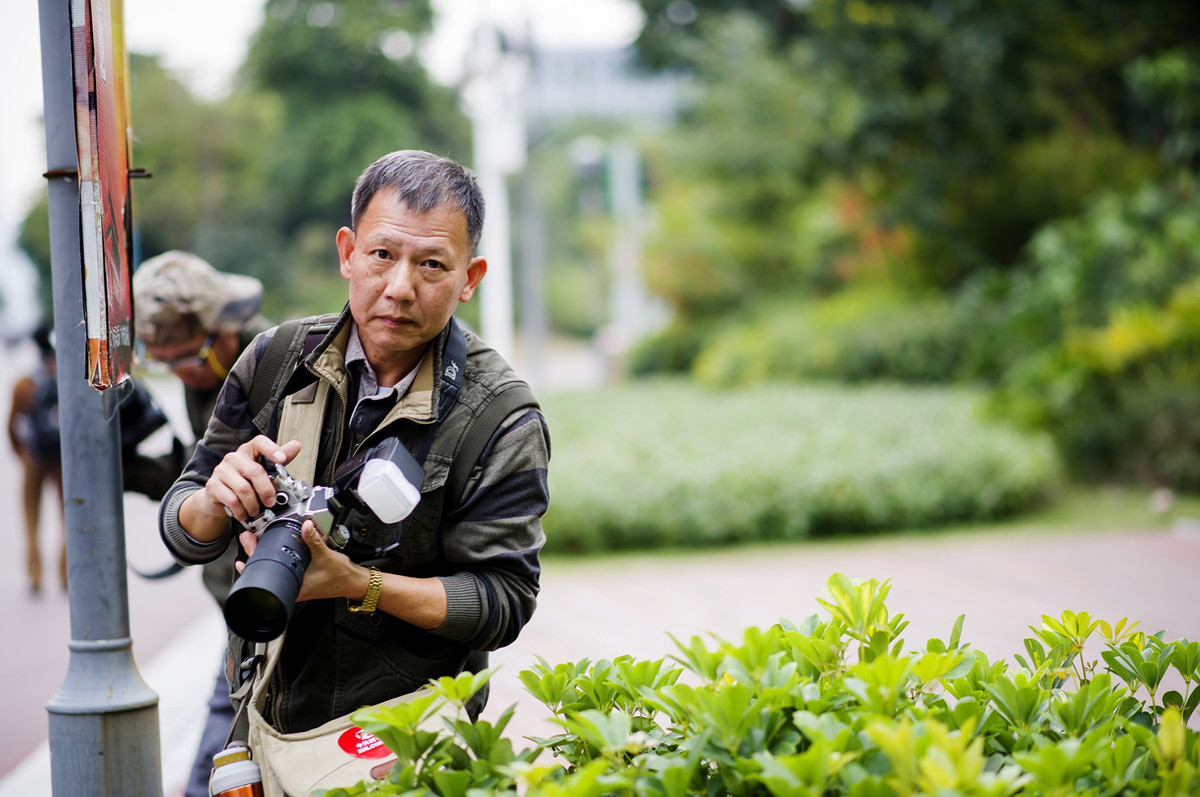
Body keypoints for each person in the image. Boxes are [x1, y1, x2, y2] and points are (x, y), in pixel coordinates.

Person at [157, 151, 550, 746]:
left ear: (469, 278)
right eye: (382, 254)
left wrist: (354, 583)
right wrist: (216, 499)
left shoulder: (500, 415)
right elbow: (181, 523)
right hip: (262, 716)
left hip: (405, 745)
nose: (400, 287)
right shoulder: (274, 360)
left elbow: (504, 601)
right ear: (348, 253)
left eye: (432, 265)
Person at [131, 250, 272, 797]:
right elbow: (202, 479)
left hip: (274, 602)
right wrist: (139, 463)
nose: (181, 374)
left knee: (219, 765)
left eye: (186, 359)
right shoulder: (205, 381)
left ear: (223, 328)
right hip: (238, 599)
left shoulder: (274, 375)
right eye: (163, 362)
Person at [8, 322, 65, 595]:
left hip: (34, 457)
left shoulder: (25, 383)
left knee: (31, 517)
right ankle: (66, 575)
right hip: (62, 460)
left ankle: (35, 574)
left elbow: (11, 425)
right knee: (68, 517)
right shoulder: (65, 379)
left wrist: (23, 455)